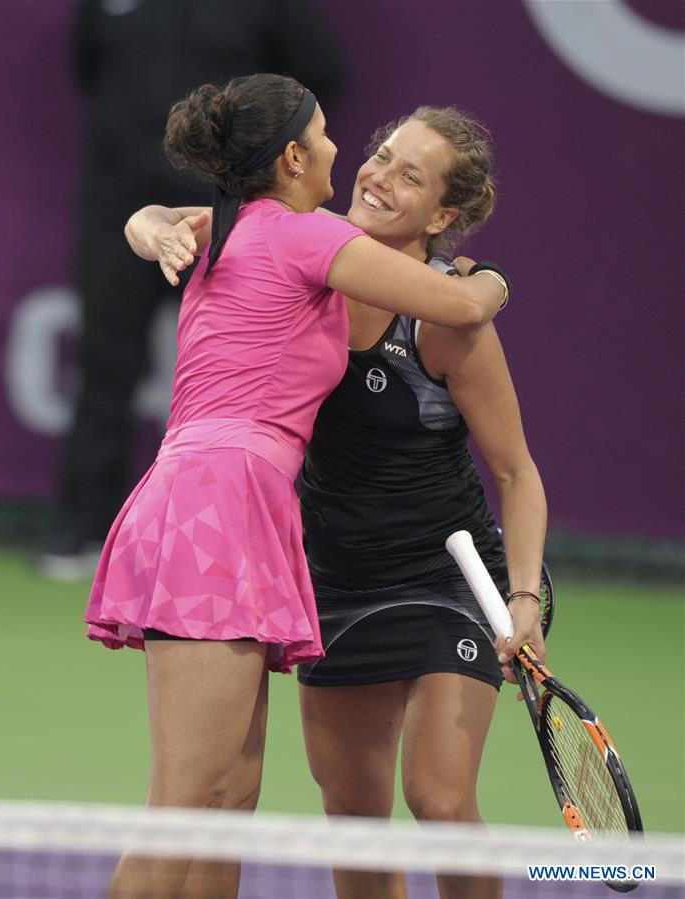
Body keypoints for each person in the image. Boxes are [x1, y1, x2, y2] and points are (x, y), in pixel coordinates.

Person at [87, 74, 508, 899]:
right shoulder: (307, 235)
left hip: (230, 500)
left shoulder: (238, 225)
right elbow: (459, 304)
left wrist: (150, 222)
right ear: (289, 158)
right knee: (181, 804)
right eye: (323, 136)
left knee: (227, 797)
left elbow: (153, 220)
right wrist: (493, 278)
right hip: (220, 499)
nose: (340, 151)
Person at [37, 0, 346, 579]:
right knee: (104, 365)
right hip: (119, 208)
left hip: (233, 218)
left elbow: (314, 77)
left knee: (259, 379)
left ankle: (278, 540)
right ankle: (84, 531)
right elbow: (87, 67)